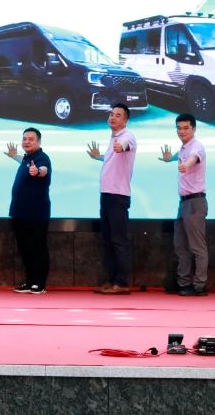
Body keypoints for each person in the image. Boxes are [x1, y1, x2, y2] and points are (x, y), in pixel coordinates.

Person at [87, 103, 136, 294]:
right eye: (111, 114)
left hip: (118, 196)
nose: (113, 117)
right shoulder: (113, 138)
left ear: (125, 120)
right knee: (108, 240)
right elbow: (113, 157)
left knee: (119, 240)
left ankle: (122, 282)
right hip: (107, 194)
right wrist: (99, 156)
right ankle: (112, 279)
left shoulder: (127, 137)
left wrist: (119, 146)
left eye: (118, 115)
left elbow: (123, 146)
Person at [160, 113, 208, 296]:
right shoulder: (184, 148)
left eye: (186, 128)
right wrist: (170, 159)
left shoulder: (197, 146)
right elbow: (182, 156)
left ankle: (199, 286)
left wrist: (186, 165)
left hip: (195, 202)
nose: (182, 131)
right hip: (184, 203)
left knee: (197, 247)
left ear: (194, 129)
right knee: (181, 246)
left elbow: (193, 158)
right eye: (179, 128)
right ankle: (184, 283)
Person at [5, 127, 51, 294]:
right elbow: (25, 163)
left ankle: (39, 283)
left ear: (39, 142)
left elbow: (43, 170)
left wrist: (37, 171)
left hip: (36, 213)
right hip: (20, 212)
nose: (26, 142)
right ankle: (30, 281)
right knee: (25, 248)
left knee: (37, 248)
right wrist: (14, 156)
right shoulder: (27, 158)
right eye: (24, 139)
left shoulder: (42, 158)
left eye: (31, 139)